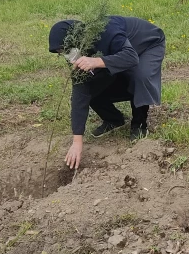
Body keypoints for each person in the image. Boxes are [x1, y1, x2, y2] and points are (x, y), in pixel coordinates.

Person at [48, 16, 166, 170]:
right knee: (91, 85)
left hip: (147, 45)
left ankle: (139, 123)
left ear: (75, 39)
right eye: (61, 52)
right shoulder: (79, 51)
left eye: (66, 50)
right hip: (120, 54)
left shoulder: (106, 31)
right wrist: (77, 142)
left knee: (139, 76)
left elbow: (131, 57)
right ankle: (113, 119)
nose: (67, 55)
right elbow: (80, 92)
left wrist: (96, 61)